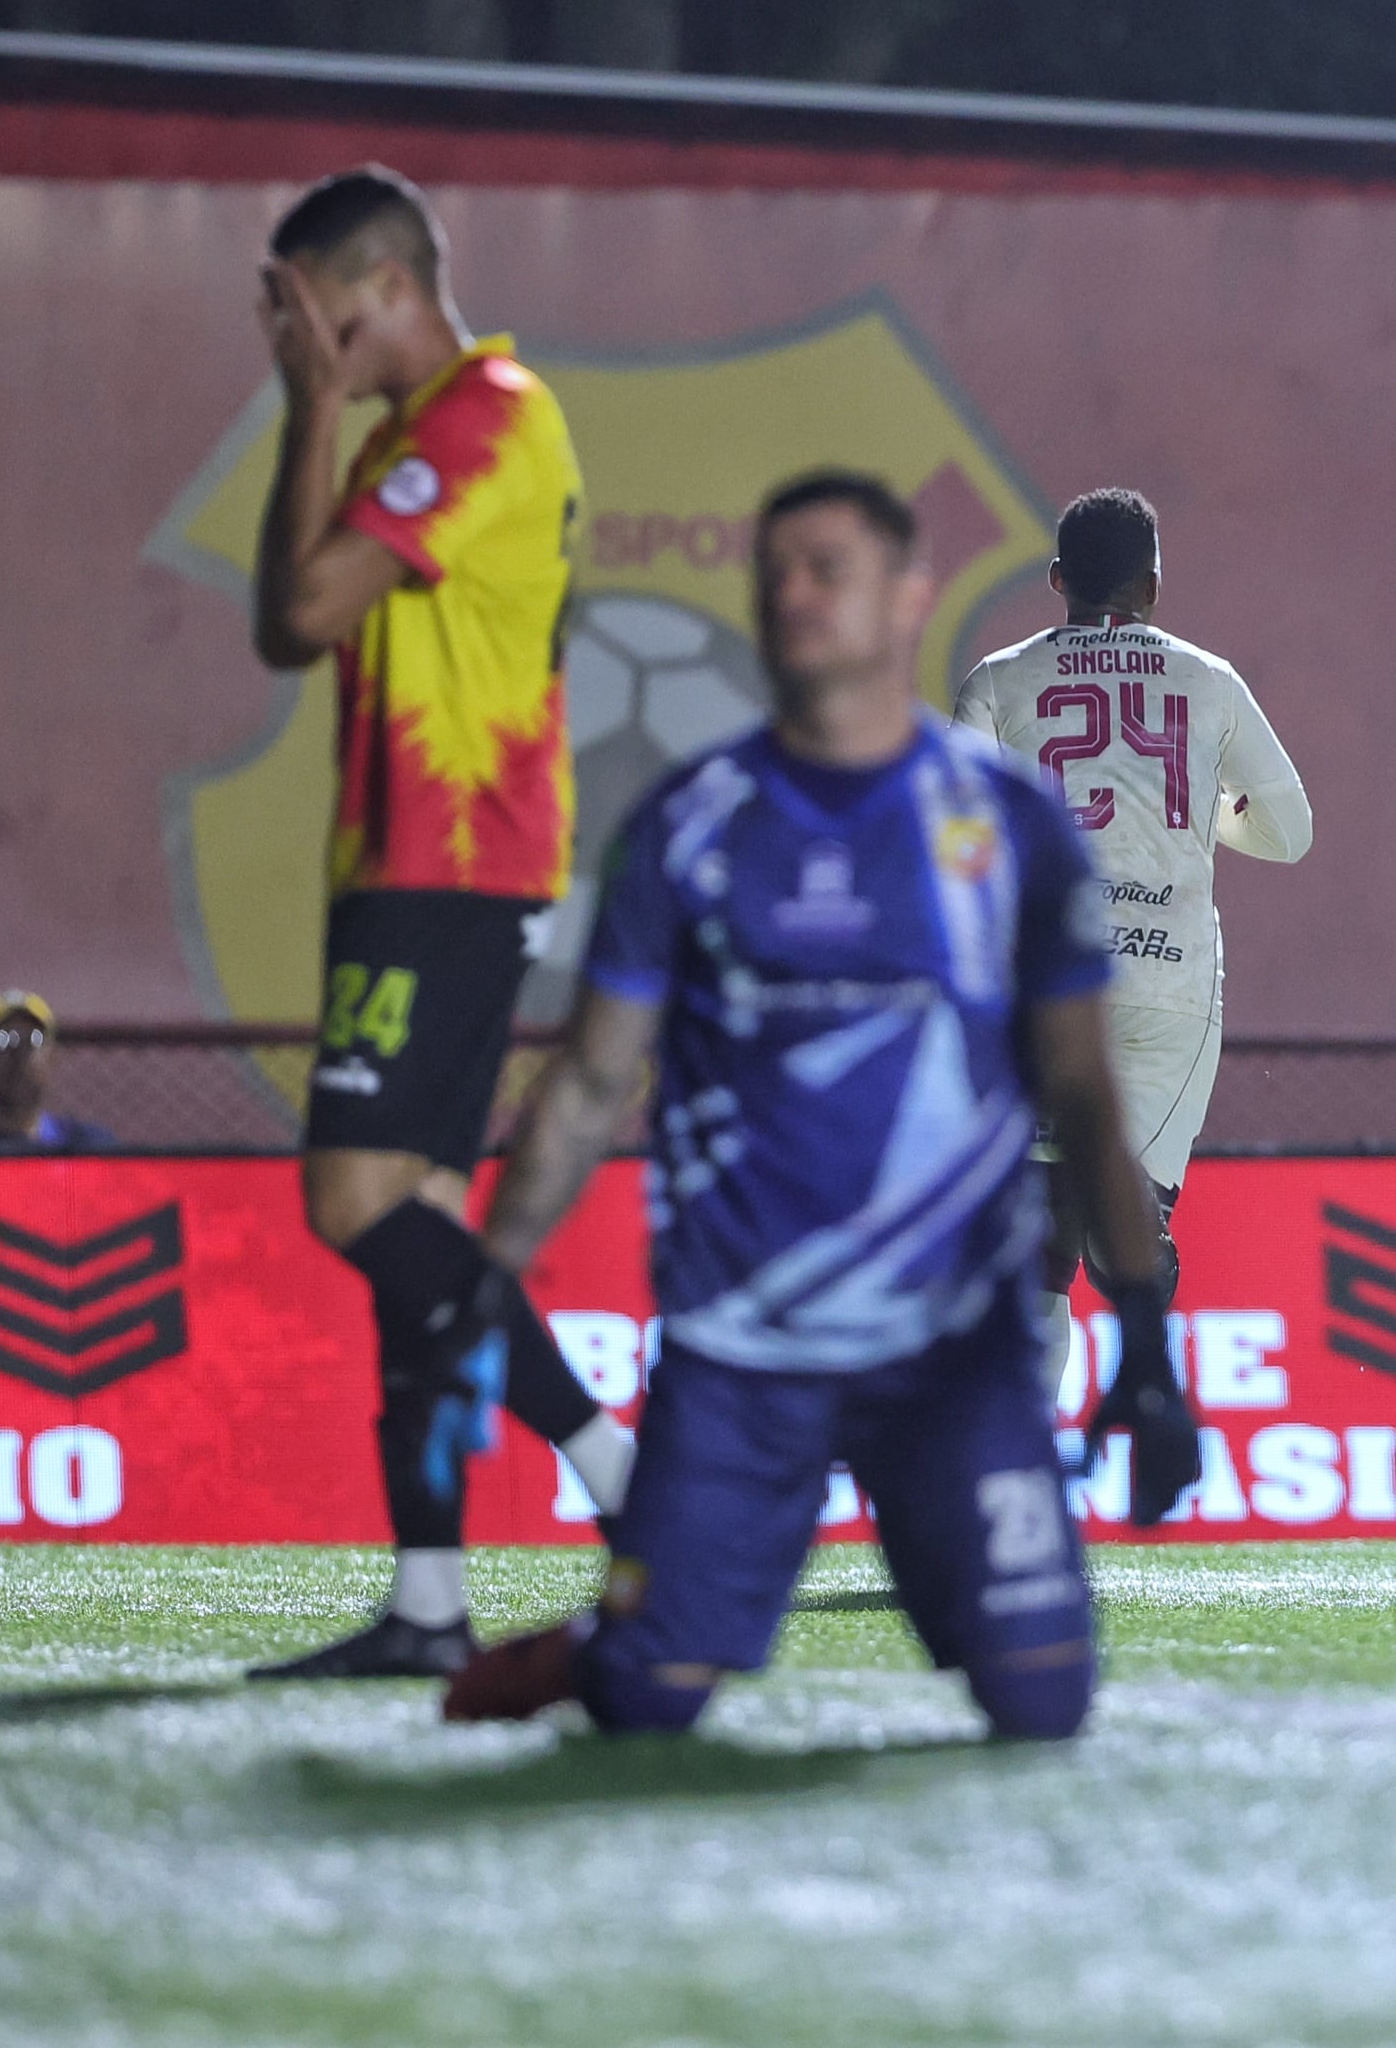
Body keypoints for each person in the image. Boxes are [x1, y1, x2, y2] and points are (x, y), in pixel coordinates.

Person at [442, 470, 1198, 1737]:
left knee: (1042, 1701)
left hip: (952, 1358)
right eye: (775, 571)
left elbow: (1082, 1091)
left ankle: (649, 1616)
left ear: (909, 599)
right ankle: (607, 1640)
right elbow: (583, 1086)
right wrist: (477, 1289)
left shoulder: (1008, 825)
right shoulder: (686, 825)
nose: (794, 595)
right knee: (639, 1707)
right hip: (740, 1353)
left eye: (828, 569)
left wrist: (1146, 1342)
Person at [247, 165, 634, 1680]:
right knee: (413, 1227)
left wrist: (307, 408)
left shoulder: (485, 414)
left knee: (351, 1200)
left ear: (383, 286)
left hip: (451, 859)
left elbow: (294, 614)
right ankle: (425, 1599)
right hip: (419, 859)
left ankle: (620, 1474)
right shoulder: (426, 430)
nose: (289, 334)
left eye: (306, 306)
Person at [952, 488, 1312, 1388]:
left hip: (1046, 986)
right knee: (1121, 1217)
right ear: (1152, 584)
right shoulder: (1208, 679)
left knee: (1039, 1254)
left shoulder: (998, 679)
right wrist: (1200, 821)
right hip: (1169, 984)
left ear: (1055, 579)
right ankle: (1135, 1259)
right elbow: (1290, 832)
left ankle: (1027, 1485)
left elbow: (954, 834)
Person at [0, 991, 114, 1149]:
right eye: (3, 1040)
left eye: (34, 1039)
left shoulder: (89, 1149)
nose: (18, 1053)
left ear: (53, 1056)